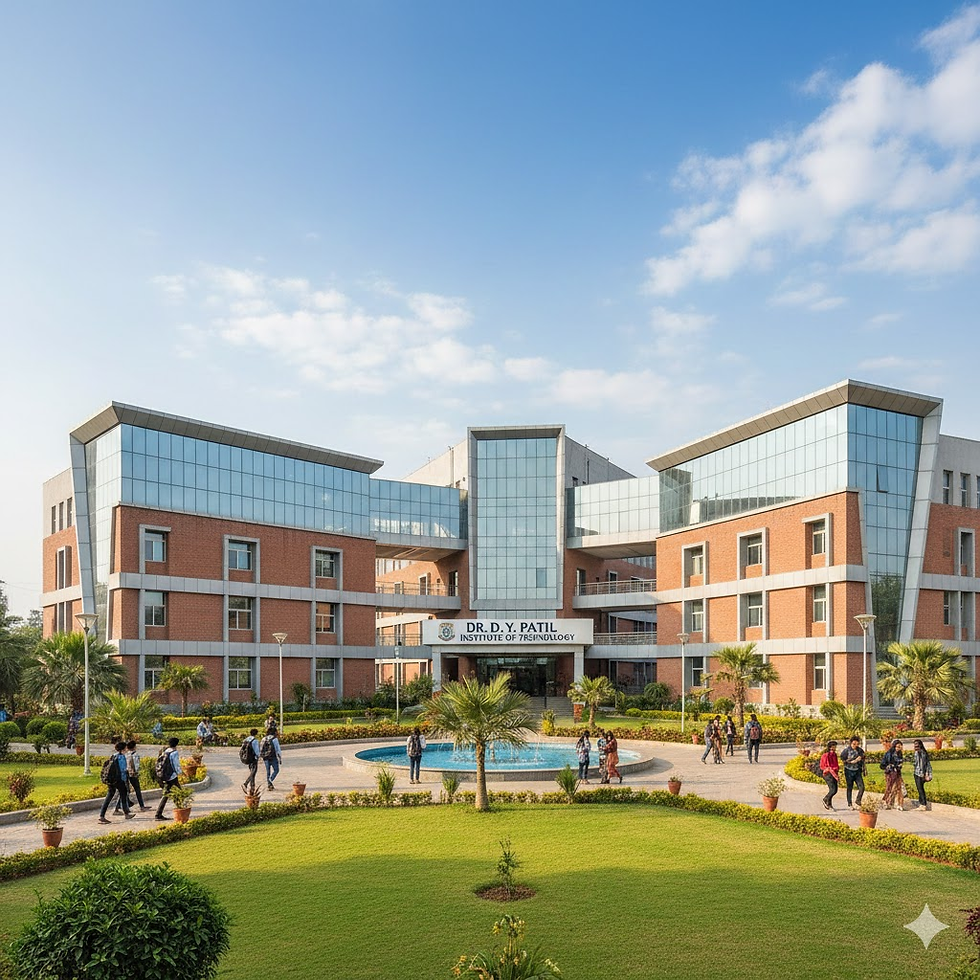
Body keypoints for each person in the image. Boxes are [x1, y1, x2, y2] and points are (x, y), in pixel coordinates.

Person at [98, 741, 134, 824]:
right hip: (119, 779)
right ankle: (126, 813)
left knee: (109, 796)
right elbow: (123, 769)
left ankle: (102, 815)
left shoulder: (113, 756)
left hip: (111, 779)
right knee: (124, 793)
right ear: (122, 749)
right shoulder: (121, 757)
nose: (126, 749)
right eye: (125, 748)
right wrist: (125, 778)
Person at [115, 740, 148, 813]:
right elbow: (136, 766)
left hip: (126, 774)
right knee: (137, 789)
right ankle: (141, 806)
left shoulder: (125, 755)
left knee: (124, 791)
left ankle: (117, 807)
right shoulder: (135, 755)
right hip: (132, 774)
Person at [155, 737, 182, 821]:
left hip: (164, 775)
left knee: (167, 793)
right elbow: (175, 765)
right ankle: (181, 810)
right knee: (179, 792)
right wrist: (180, 773)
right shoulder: (174, 753)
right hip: (172, 776)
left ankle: (159, 814)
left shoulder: (165, 751)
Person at [839, 736, 866, 810]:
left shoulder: (860, 750)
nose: (855, 746)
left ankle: (858, 800)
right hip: (849, 770)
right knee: (849, 787)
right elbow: (842, 759)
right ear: (851, 743)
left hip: (857, 771)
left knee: (862, 787)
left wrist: (863, 768)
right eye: (854, 744)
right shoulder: (846, 750)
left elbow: (863, 759)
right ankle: (849, 803)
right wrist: (851, 762)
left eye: (857, 744)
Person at [881, 739, 905, 810]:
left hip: (897, 772)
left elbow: (900, 762)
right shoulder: (889, 754)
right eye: (897, 747)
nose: (899, 748)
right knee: (889, 787)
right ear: (894, 746)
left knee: (899, 788)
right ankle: (885, 801)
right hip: (890, 773)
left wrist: (900, 765)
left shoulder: (900, 753)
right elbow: (882, 765)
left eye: (900, 747)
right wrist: (889, 766)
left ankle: (900, 804)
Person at [911, 738, 933, 811]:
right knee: (919, 788)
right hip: (916, 772)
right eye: (915, 746)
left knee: (920, 789)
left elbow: (923, 764)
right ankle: (921, 803)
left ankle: (923, 804)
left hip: (920, 774)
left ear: (920, 746)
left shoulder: (922, 753)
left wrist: (925, 774)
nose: (915, 748)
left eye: (917, 746)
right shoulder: (917, 753)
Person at [819, 740, 840, 810]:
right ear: (830, 747)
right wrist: (835, 776)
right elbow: (828, 767)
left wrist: (837, 773)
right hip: (828, 774)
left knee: (835, 789)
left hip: (834, 773)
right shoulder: (826, 755)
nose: (835, 747)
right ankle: (825, 799)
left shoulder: (834, 754)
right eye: (834, 746)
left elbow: (836, 764)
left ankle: (829, 804)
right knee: (832, 790)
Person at [241, 728, 260, 794]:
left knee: (252, 772)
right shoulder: (255, 741)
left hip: (247, 758)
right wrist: (258, 756)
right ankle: (246, 783)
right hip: (253, 758)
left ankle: (252, 787)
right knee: (253, 772)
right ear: (256, 734)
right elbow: (256, 751)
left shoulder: (246, 740)